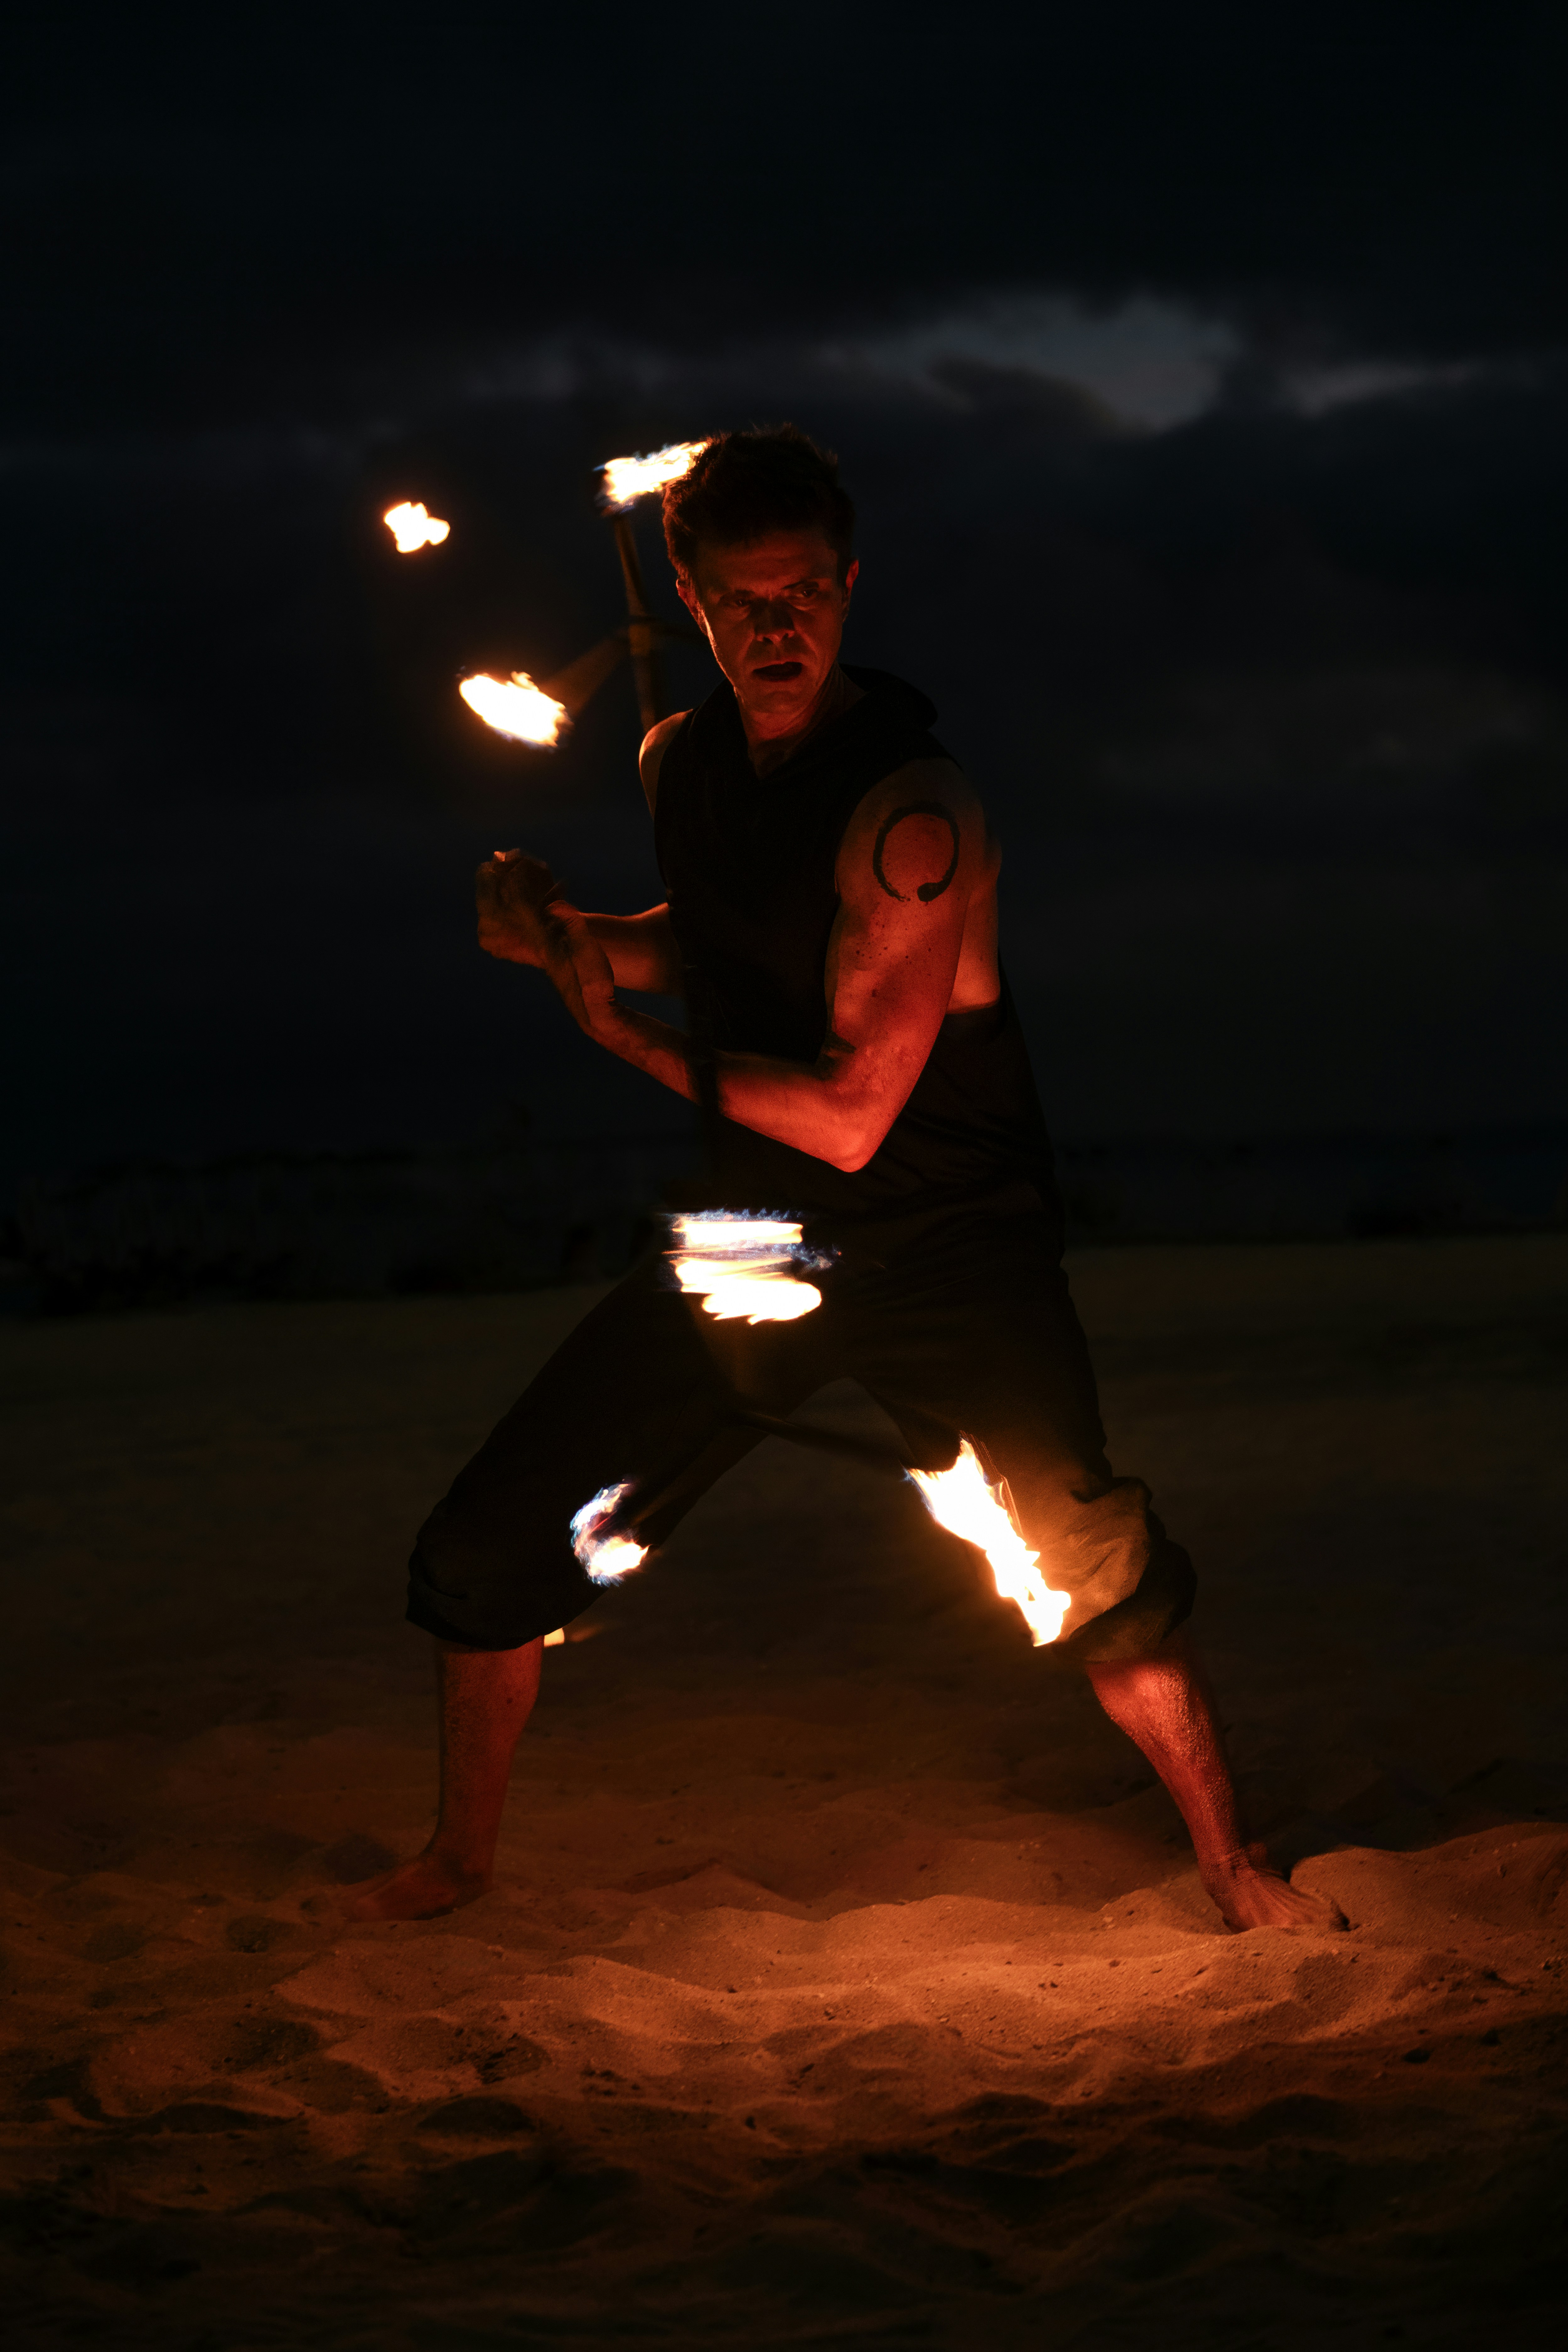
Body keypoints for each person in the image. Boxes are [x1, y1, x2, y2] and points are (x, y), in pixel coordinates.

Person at [349, 427, 1342, 1934]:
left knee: (1084, 1558)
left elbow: (855, 1109)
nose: (776, 628)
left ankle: (1229, 1860)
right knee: (495, 1538)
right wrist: (566, 936)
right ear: (688, 599)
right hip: (763, 1239)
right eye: (742, 599)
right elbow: (717, 935)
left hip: (949, 1237)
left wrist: (622, 1037)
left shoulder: (915, 809)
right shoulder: (675, 758)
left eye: (804, 591)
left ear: (849, 586)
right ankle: (457, 1862)